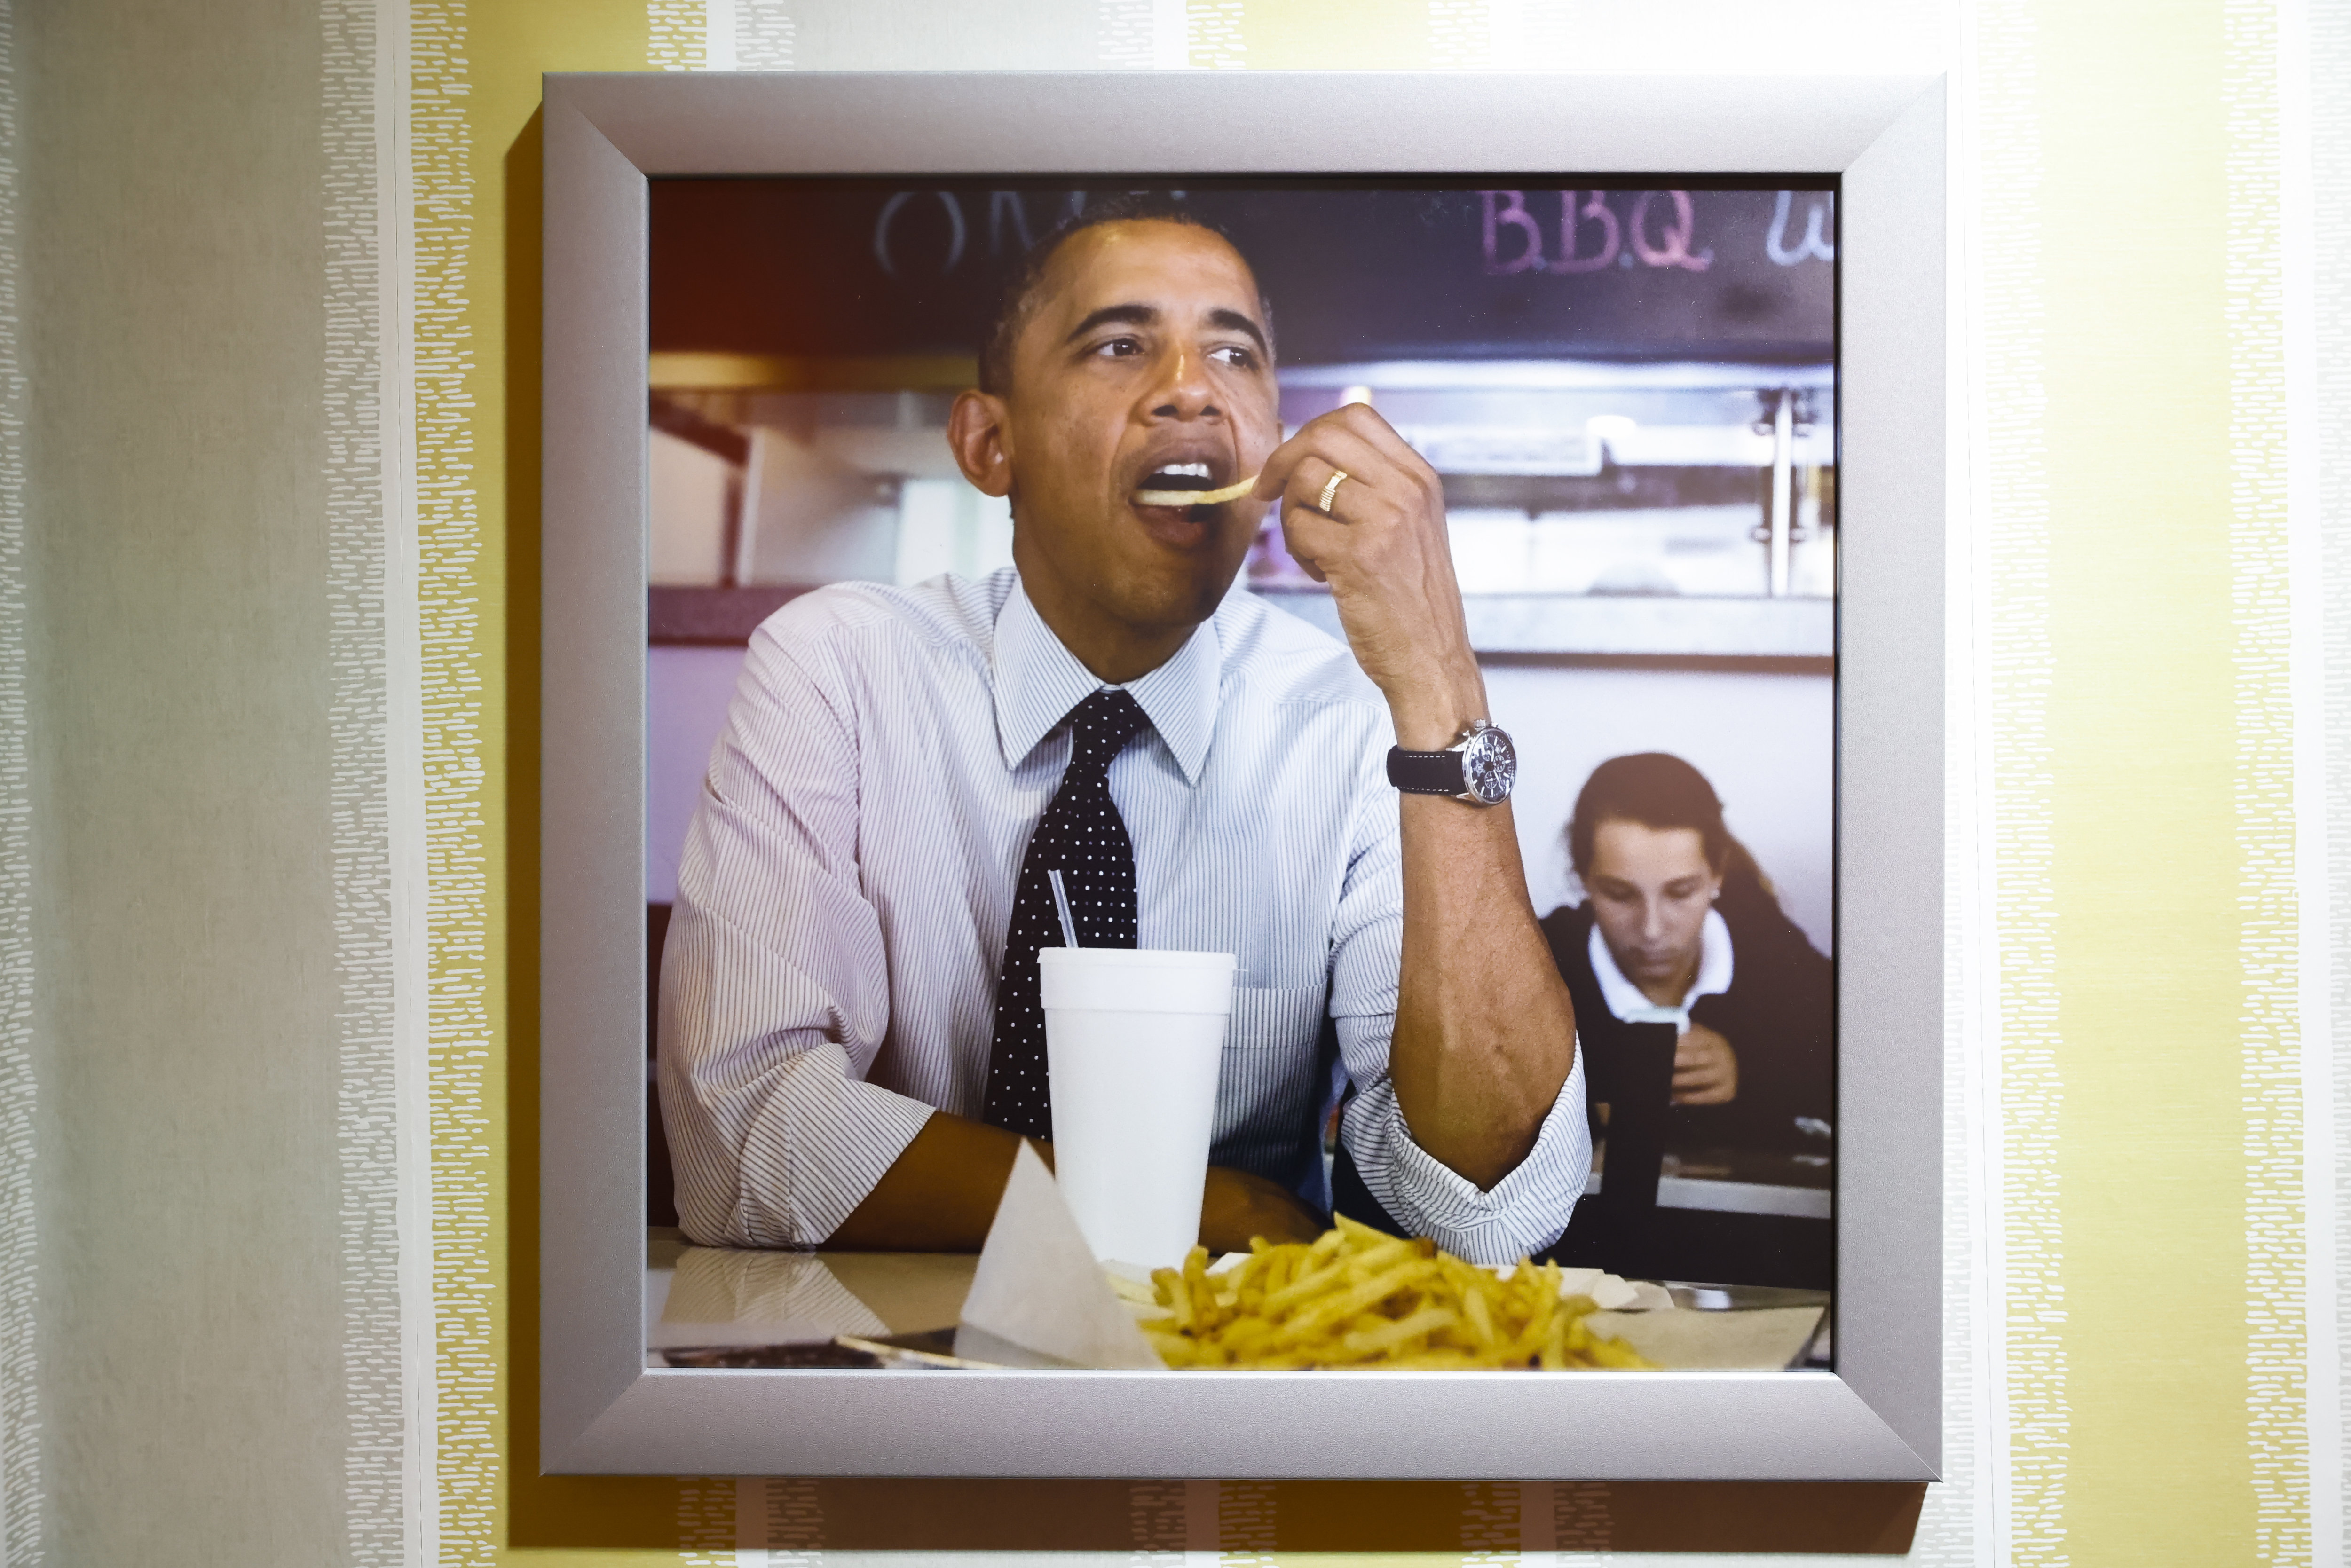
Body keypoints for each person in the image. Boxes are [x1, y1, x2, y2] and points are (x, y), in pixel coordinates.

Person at [658, 198, 1588, 1265]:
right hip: (882, 1393)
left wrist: (1436, 677)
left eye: (1233, 353)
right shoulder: (839, 668)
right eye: (1120, 343)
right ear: (989, 442)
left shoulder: (1353, 721)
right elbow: (743, 1137)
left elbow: (1490, 1213)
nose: (1192, 387)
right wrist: (1188, 1205)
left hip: (1223, 1394)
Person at [1538, 753, 1833, 1160]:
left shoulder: (1773, 950)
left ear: (1718, 875)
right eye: (1620, 895)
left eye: (1680, 893)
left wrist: (1747, 1069)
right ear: (1583, 878)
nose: (1652, 929)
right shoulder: (1539, 962)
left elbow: (1868, 1075)